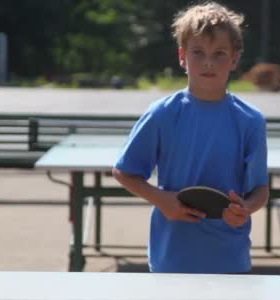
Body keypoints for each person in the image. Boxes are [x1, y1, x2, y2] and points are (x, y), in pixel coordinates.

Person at [112, 2, 269, 274]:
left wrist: (245, 209)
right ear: (182, 57)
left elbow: (260, 191)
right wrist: (164, 201)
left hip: (230, 261)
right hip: (172, 260)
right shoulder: (162, 114)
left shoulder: (251, 120)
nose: (208, 61)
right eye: (199, 52)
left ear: (234, 59)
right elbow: (125, 172)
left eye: (219, 53)